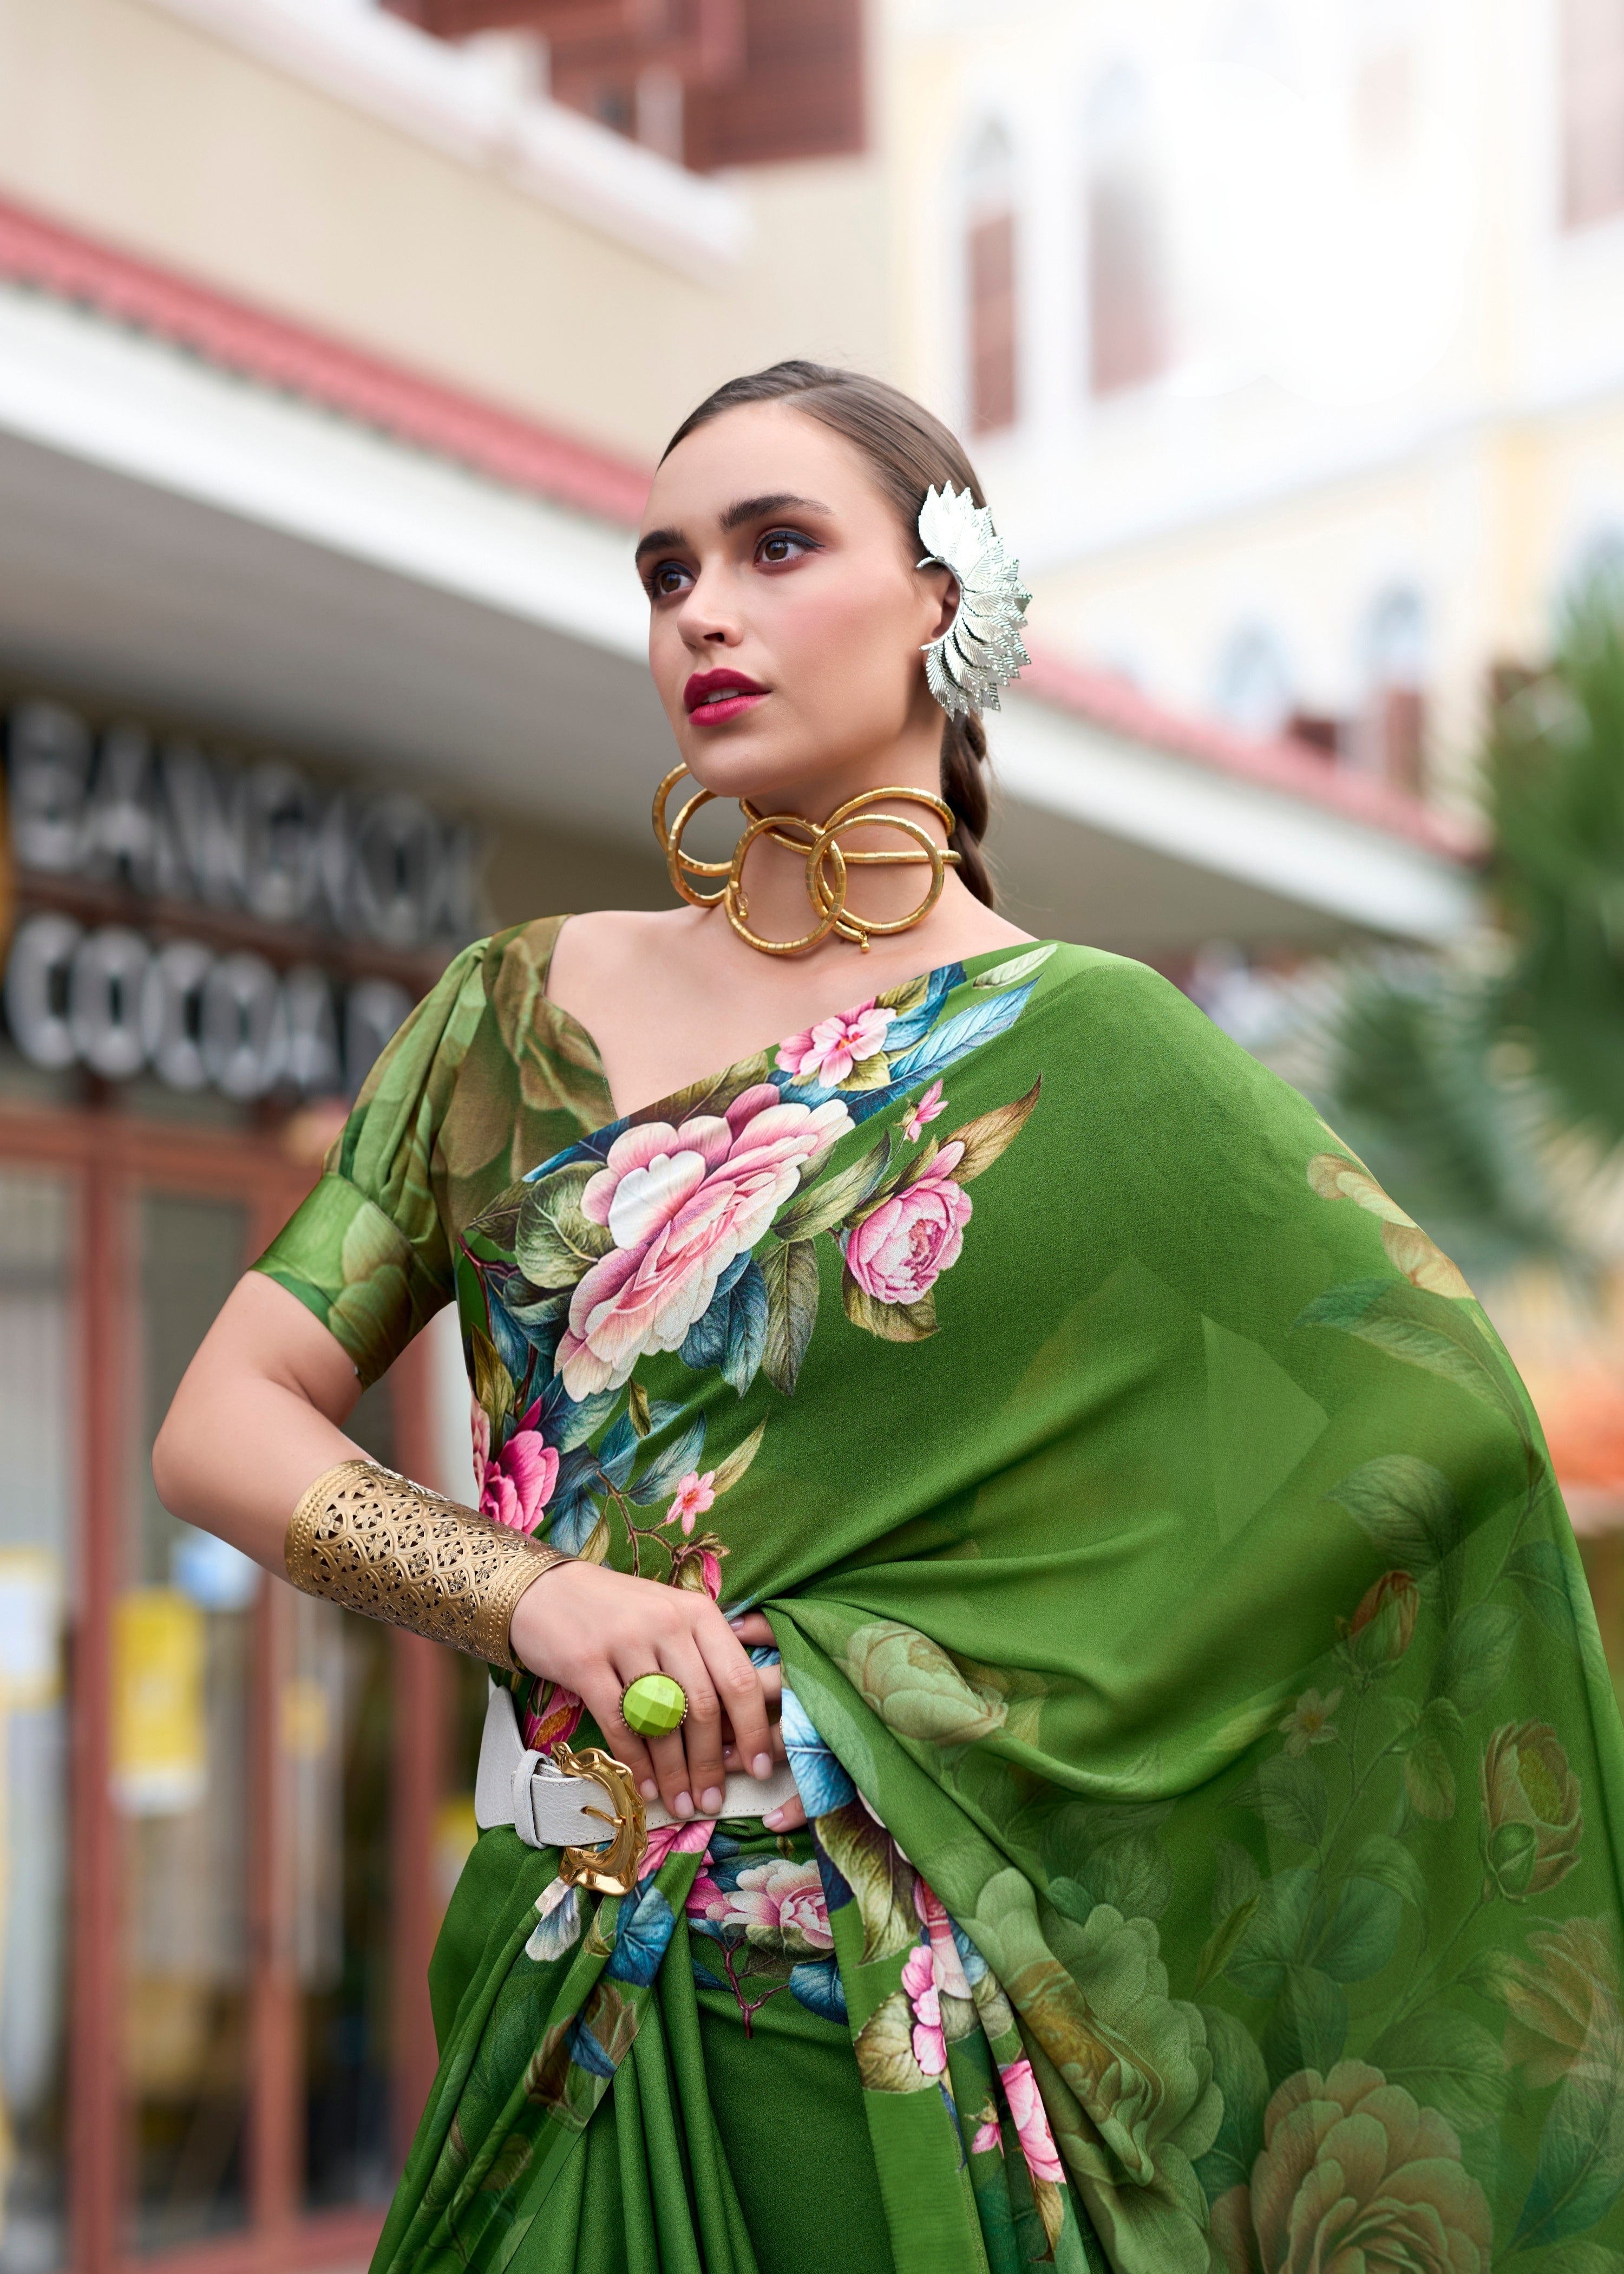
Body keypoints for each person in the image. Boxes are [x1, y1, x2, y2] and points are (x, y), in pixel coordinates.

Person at [155, 363, 1624, 2274]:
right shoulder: (518, 1016)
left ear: (948, 598)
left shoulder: (1091, 1051)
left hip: (885, 2030)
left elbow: (1430, 1443)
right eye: (666, 566)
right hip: (546, 1962)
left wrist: (936, 1699)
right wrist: (532, 1596)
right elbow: (224, 1418)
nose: (704, 607)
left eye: (777, 546)